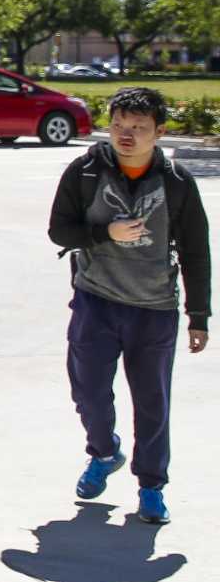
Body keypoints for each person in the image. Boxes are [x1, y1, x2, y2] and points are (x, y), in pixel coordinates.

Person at [48, 86, 210, 525]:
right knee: (88, 391)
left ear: (159, 132)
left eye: (138, 127)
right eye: (119, 124)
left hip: (154, 308)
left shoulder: (176, 182)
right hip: (95, 301)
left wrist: (198, 315)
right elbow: (59, 230)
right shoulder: (84, 171)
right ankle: (104, 452)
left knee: (153, 402)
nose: (126, 134)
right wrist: (105, 234)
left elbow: (196, 251)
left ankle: (152, 487)